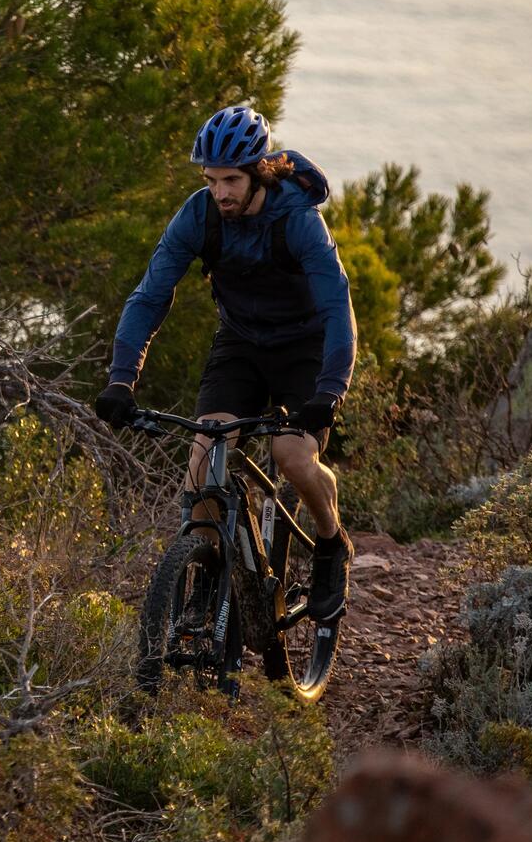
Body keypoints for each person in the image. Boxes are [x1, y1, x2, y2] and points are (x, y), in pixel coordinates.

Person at [93, 105, 356, 620]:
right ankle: (208, 576)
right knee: (202, 464)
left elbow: (335, 307)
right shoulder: (199, 215)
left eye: (231, 180)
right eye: (211, 180)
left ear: (259, 170)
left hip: (304, 349)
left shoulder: (299, 221)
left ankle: (331, 543)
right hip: (239, 344)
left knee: (292, 456)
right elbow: (150, 295)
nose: (220, 192)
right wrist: (121, 379)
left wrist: (330, 391)